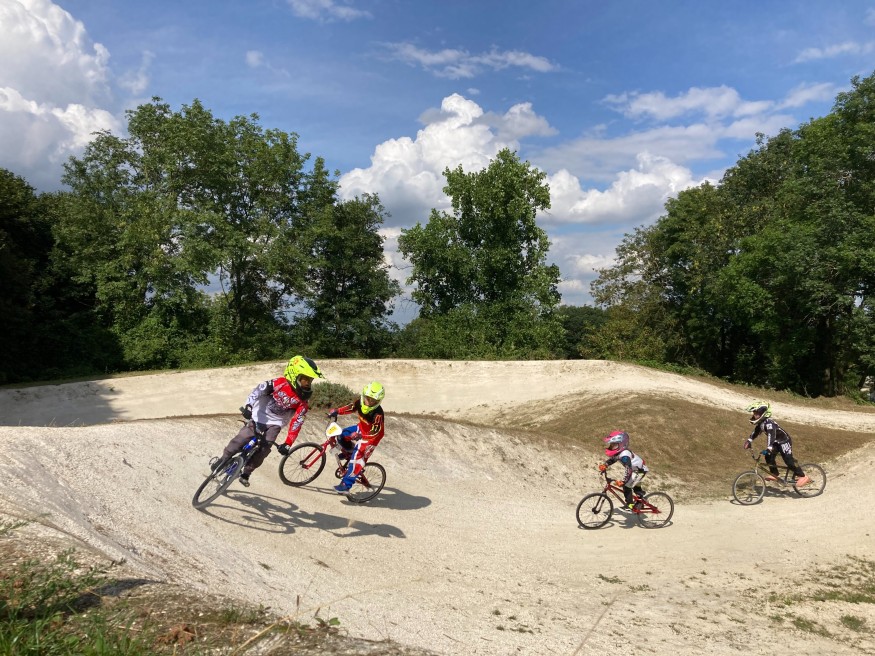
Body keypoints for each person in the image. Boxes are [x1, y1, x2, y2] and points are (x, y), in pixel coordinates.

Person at [215, 355, 324, 487]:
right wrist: (248, 406)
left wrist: (288, 443)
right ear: (294, 375)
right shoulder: (280, 383)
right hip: (259, 416)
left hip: (275, 424)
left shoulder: (303, 401)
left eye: (310, 380)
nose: (308, 383)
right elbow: (259, 390)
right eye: (305, 379)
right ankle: (223, 459)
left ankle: (246, 473)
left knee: (264, 450)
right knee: (240, 439)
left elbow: (297, 422)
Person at [326, 381, 386, 494]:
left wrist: (361, 436)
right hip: (361, 428)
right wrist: (337, 411)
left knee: (357, 458)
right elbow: (351, 407)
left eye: (374, 401)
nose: (370, 402)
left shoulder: (378, 414)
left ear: (378, 401)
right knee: (342, 435)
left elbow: (375, 432)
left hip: (371, 438)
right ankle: (348, 453)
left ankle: (346, 485)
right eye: (368, 398)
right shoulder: (360, 402)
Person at [743, 401, 811, 487]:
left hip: (784, 441)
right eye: (754, 413)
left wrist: (769, 447)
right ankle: (775, 474)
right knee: (768, 456)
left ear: (763, 413)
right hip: (776, 442)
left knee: (788, 460)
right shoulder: (762, 423)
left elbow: (771, 435)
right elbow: (756, 432)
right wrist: (749, 441)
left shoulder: (769, 423)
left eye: (757, 413)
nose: (754, 415)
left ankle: (803, 476)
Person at [599, 430, 649, 511]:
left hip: (640, 471)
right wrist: (605, 465)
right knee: (635, 486)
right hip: (635, 470)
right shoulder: (620, 452)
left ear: (621, 444)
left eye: (614, 445)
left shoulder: (625, 455)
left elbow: (628, 469)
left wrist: (623, 481)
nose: (611, 447)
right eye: (611, 445)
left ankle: (630, 505)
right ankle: (641, 501)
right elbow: (613, 459)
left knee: (627, 486)